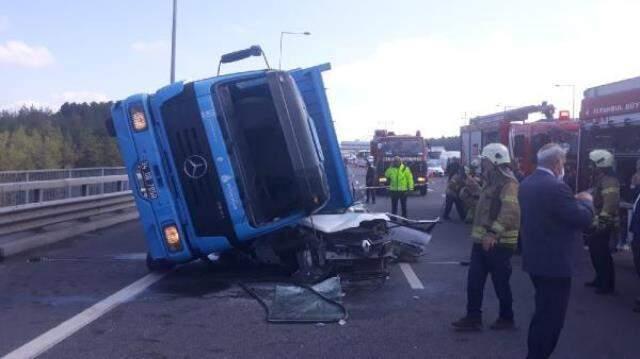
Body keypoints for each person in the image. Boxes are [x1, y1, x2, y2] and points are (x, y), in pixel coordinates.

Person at [519, 143, 594, 359]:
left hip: (536, 261)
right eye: (563, 162)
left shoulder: (527, 183)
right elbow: (583, 219)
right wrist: (587, 202)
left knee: (542, 313)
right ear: (556, 163)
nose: (564, 166)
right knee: (551, 320)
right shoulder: (557, 188)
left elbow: (551, 214)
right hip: (556, 265)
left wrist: (572, 202)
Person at [451, 143, 520, 331]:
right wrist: (470, 191)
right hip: (482, 242)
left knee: (500, 284)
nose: (483, 164)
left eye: (485, 161)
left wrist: (493, 233)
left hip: (499, 243)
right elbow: (482, 208)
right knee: (474, 282)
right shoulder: (491, 182)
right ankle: (473, 318)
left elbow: (510, 211)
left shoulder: (509, 184)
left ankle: (507, 318)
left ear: (495, 161)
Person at [585, 149, 620, 295]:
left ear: (601, 163)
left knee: (602, 254)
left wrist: (601, 222)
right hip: (598, 222)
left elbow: (610, 204)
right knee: (595, 253)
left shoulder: (609, 181)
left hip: (604, 224)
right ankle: (599, 279)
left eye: (593, 164)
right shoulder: (601, 178)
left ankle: (607, 284)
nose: (590, 166)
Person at [459, 159, 482, 223]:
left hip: (465, 195)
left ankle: (469, 219)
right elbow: (477, 188)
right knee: (475, 205)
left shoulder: (469, 176)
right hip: (467, 196)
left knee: (471, 208)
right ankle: (470, 219)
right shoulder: (471, 179)